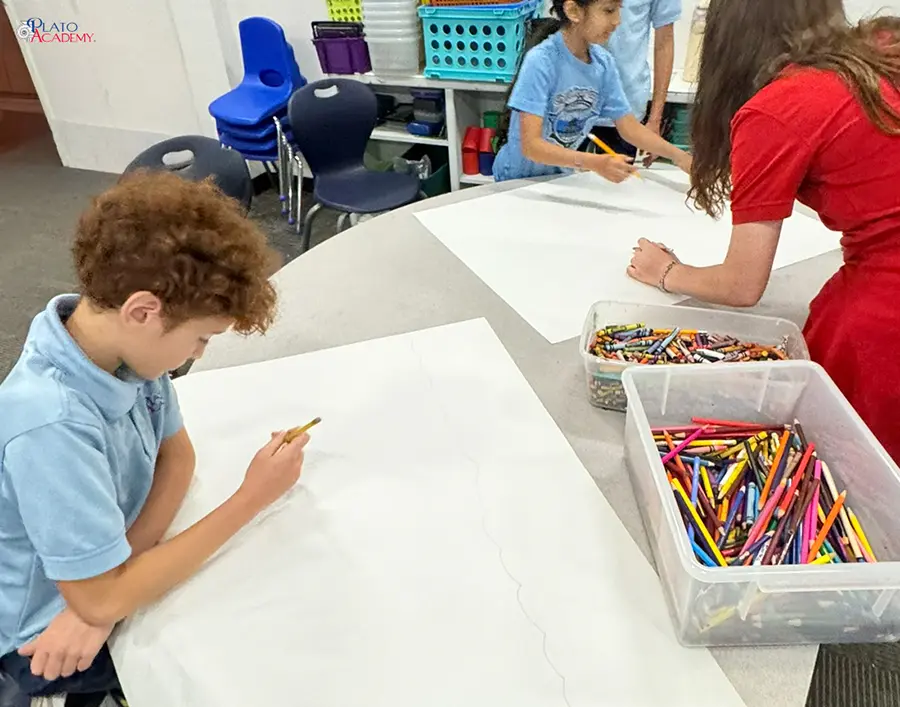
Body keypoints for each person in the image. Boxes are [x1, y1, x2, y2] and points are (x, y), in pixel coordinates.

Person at [0, 172, 312, 706]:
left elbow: (178, 456)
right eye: (201, 338)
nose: (198, 355)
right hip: (40, 636)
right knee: (237, 655)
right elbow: (101, 598)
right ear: (143, 311)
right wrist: (251, 497)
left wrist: (110, 593)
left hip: (95, 583)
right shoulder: (51, 425)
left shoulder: (123, 352)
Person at [627, 0, 900, 462]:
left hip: (888, 303)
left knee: (838, 449)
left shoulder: (780, 106)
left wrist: (667, 272)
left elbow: (742, 284)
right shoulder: (878, 48)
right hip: (877, 264)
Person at [492, 0, 692, 182]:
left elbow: (629, 127)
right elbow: (531, 147)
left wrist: (680, 156)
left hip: (557, 180)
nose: (617, 21)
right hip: (515, 181)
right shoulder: (541, 61)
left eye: (619, 10)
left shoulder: (604, 64)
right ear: (573, 11)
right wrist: (594, 162)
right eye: (609, 11)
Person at [594, 0, 682, 160]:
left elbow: (665, 42)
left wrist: (655, 120)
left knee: (618, 175)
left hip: (626, 106)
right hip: (568, 103)